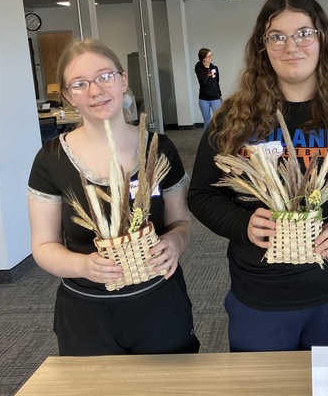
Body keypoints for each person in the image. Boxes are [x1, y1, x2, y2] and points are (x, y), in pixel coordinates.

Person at [188, 0, 328, 352]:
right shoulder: (232, 120)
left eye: (304, 33)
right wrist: (241, 224)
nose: (291, 46)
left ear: (322, 40)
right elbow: (202, 194)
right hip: (261, 295)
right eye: (277, 36)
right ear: (263, 46)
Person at [28, 38, 200, 356]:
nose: (95, 91)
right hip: (87, 312)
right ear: (67, 96)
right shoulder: (51, 158)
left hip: (159, 303)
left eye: (105, 76)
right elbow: (42, 247)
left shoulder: (159, 148)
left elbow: (180, 222)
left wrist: (174, 243)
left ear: (123, 81)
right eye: (79, 84)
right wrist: (83, 265)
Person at [195, 47, 222, 129]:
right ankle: (206, 141)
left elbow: (217, 83)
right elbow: (203, 81)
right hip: (204, 99)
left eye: (211, 55)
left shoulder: (215, 68)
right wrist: (207, 68)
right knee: (207, 121)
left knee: (218, 120)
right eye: (209, 56)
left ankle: (217, 140)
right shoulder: (198, 68)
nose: (211, 58)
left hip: (215, 98)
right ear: (203, 58)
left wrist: (220, 95)